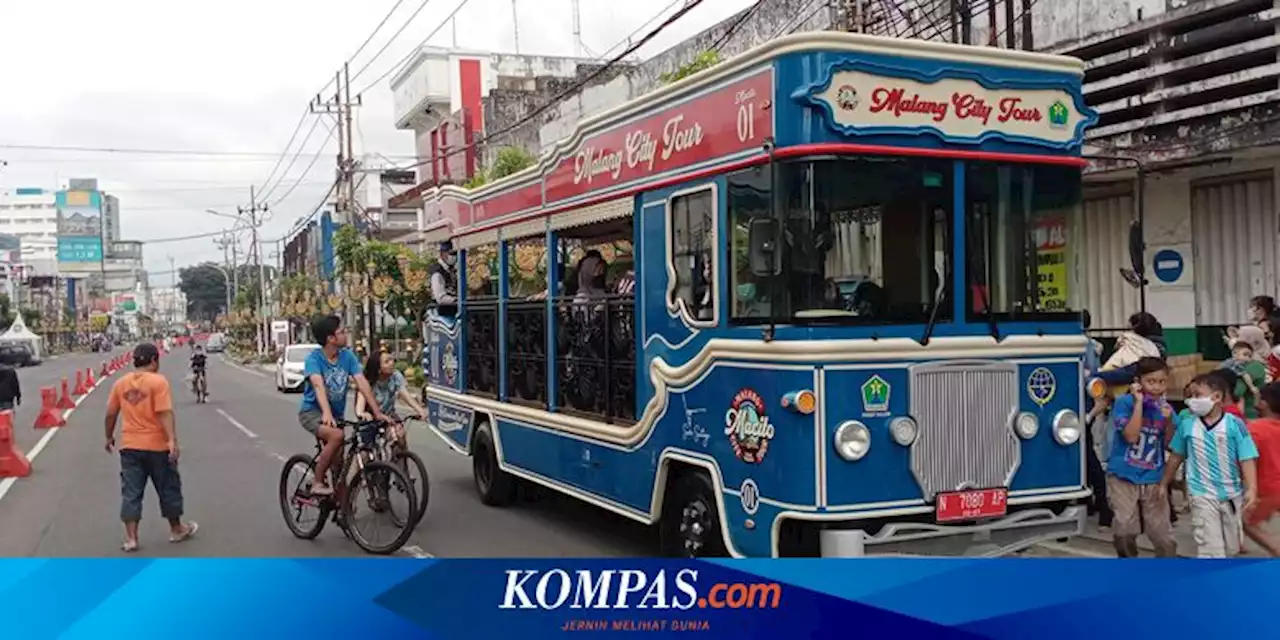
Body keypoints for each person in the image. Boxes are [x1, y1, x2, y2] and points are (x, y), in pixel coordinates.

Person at [104, 343, 198, 552]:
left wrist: (109, 436)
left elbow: (111, 413)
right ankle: (176, 529)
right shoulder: (158, 382)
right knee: (168, 487)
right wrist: (172, 440)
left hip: (130, 447)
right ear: (154, 360)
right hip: (157, 446)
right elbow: (164, 412)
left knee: (131, 491)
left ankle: (131, 538)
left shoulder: (120, 383)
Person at [1162, 373, 1260, 558]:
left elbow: (1247, 457)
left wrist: (1252, 489)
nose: (1192, 400)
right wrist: (1164, 483)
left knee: (1231, 547)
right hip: (1201, 494)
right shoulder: (1187, 425)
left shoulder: (1234, 424)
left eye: (1197, 395)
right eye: (1190, 396)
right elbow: (1177, 456)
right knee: (1211, 548)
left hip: (1232, 494)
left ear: (1216, 397)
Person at [298, 315, 387, 496]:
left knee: (339, 462)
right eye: (342, 331)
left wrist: (377, 412)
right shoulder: (314, 360)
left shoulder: (347, 356)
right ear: (330, 338)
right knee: (337, 436)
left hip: (334, 415)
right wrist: (327, 413)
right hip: (312, 412)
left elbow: (362, 383)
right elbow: (318, 385)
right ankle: (316, 481)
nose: (346, 334)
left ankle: (340, 504)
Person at [1105, 356, 1178, 557]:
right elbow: (1130, 436)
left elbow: (1170, 443)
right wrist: (1138, 404)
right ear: (1139, 382)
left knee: (1162, 534)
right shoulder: (1124, 403)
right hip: (1123, 473)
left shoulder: (1167, 409)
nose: (1156, 387)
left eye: (1162, 382)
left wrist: (1169, 421)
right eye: (1151, 381)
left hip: (1153, 475)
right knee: (1125, 527)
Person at [1081, 310, 1112, 528]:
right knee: (1087, 456)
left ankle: (1101, 505)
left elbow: (1089, 375)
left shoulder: (1082, 345)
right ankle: (1095, 503)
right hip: (1086, 407)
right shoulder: (1092, 344)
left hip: (1081, 407)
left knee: (1088, 457)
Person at [356, 352, 427, 445]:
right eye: (387, 362)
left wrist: (420, 410)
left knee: (400, 435)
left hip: (389, 416)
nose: (391, 363)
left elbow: (405, 395)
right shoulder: (368, 381)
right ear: (378, 369)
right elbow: (361, 399)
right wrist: (361, 413)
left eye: (391, 359)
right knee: (366, 451)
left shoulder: (396, 376)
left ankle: (401, 457)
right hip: (370, 419)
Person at [1244, 382, 1280, 556]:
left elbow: (1245, 460)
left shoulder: (1255, 429)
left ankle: (1276, 550)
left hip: (1268, 488)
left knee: (1246, 522)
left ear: (1264, 402)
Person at [1220, 335, 1267, 419]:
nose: (1239, 357)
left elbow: (1238, 392)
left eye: (1246, 355)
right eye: (1235, 353)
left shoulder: (1254, 367)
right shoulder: (1232, 364)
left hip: (1249, 412)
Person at [428, 241, 459, 309]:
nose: (454, 256)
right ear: (442, 253)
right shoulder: (437, 273)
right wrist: (457, 300)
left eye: (455, 254)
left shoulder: (451, 270)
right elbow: (440, 298)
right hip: (442, 311)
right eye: (451, 253)